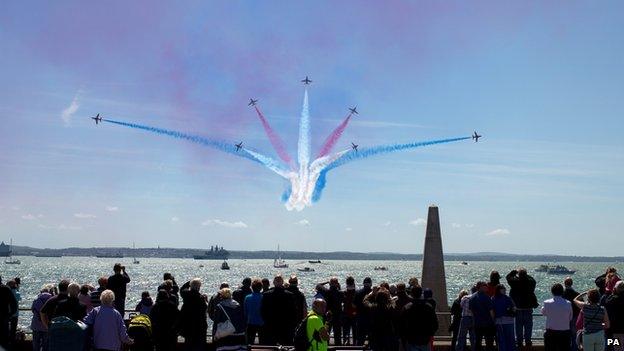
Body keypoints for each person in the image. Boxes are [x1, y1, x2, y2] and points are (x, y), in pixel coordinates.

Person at [261, 275, 297, 345]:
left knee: (270, 347)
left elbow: (263, 311)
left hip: (270, 325)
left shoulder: (266, 295)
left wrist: (266, 321)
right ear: (282, 282)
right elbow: (293, 312)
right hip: (285, 326)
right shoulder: (289, 295)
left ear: (273, 282)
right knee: (286, 346)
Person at [400, 285, 439, 351]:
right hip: (425, 340)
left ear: (411, 294)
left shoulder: (406, 308)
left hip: (411, 341)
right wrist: (429, 335)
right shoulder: (429, 307)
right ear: (421, 293)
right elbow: (435, 324)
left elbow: (402, 325)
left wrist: (406, 337)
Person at [506, 268, 538, 347]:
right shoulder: (531, 282)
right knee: (528, 326)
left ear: (519, 275)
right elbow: (533, 279)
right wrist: (525, 275)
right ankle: (528, 342)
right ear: (526, 274)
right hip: (528, 308)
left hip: (518, 308)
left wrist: (513, 272)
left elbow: (508, 277)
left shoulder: (515, 282)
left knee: (518, 327)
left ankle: (519, 342)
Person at [364, 287, 398, 351]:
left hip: (375, 334)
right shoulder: (389, 308)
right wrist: (389, 296)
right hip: (387, 333)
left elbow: (365, 301)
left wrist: (370, 294)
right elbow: (393, 302)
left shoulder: (373, 307)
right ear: (386, 299)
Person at [542, 283, 573, 351]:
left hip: (551, 333)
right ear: (562, 292)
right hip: (564, 333)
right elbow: (570, 318)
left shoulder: (546, 303)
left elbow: (543, 313)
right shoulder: (568, 303)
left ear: (552, 291)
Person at [179, 278, 208, 350]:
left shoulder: (186, 294)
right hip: (199, 326)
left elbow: (182, 288)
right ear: (199, 287)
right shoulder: (201, 298)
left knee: (188, 344)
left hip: (188, 325)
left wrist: (190, 281)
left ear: (191, 286)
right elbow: (205, 310)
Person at [469, 281, 495, 351]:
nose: (487, 287)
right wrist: (494, 320)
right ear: (481, 287)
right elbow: (491, 311)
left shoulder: (472, 298)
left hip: (477, 323)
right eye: (485, 286)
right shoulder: (486, 297)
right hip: (488, 323)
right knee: (489, 342)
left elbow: (471, 311)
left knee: (477, 342)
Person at [318, 277, 344, 345]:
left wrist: (326, 282)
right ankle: (338, 348)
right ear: (337, 284)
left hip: (327, 316)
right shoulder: (341, 293)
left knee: (326, 334)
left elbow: (318, 285)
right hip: (337, 316)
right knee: (337, 335)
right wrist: (339, 287)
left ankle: (326, 347)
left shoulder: (326, 292)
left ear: (330, 284)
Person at [492, 284, 516, 351]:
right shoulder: (508, 298)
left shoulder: (493, 299)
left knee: (501, 340)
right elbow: (514, 308)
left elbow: (492, 311)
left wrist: (493, 320)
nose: (505, 290)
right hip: (509, 321)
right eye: (503, 289)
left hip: (499, 321)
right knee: (510, 339)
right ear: (499, 290)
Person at [31, 284, 54, 351]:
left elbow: (33, 310)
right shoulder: (51, 300)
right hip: (47, 325)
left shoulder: (36, 300)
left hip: (36, 324)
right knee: (46, 344)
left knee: (36, 343)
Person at [244, 278, 264, 345]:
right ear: (261, 288)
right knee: (262, 342)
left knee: (249, 343)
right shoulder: (263, 297)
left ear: (252, 287)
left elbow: (245, 312)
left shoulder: (247, 297)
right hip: (262, 322)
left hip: (250, 322)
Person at [457, 286, 477, 351]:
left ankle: (460, 349)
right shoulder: (476, 298)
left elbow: (461, 306)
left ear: (471, 290)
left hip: (465, 318)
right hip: (473, 319)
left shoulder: (465, 297)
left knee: (462, 336)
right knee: (473, 337)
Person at [354, 277, 373, 346]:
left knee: (360, 339)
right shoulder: (373, 293)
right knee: (372, 339)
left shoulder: (358, 292)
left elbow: (353, 305)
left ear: (363, 284)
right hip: (371, 319)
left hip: (360, 318)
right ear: (371, 284)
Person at [605, 281, 624, 351]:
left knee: (612, 347)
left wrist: (612, 293)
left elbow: (607, 302)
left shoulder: (613, 299)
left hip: (614, 330)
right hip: (620, 329)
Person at [563, 277, 580, 350]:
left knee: (565, 336)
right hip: (575, 317)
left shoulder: (561, 295)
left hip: (564, 318)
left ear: (564, 284)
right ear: (572, 284)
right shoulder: (577, 295)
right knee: (574, 336)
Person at [0, 279, 17, 349]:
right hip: (3, 318)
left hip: (4, 317)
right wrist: (9, 315)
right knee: (4, 340)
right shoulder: (6, 289)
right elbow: (14, 305)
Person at [342, 276, 357, 345]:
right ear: (353, 283)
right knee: (354, 330)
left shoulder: (344, 292)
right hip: (354, 314)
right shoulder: (356, 292)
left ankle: (345, 341)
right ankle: (354, 343)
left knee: (345, 330)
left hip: (346, 313)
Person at [8, 279, 21, 346]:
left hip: (6, 314)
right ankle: (12, 344)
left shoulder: (6, 292)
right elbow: (19, 298)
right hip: (15, 314)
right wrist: (17, 289)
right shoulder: (16, 293)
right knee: (13, 330)